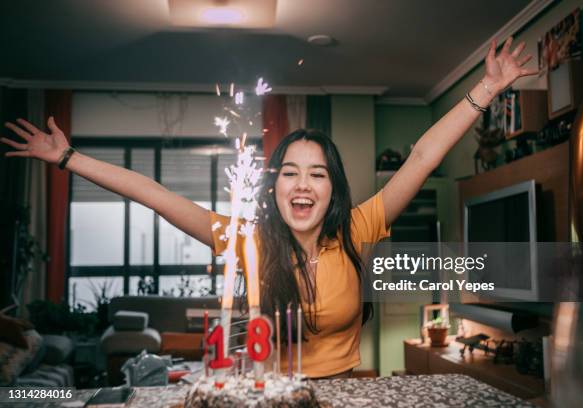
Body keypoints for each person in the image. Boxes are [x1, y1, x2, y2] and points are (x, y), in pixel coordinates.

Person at [1, 38, 536, 378]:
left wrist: (488, 86)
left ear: (333, 189)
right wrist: (67, 157)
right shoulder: (245, 241)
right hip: (271, 394)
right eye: (290, 173)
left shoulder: (360, 226)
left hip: (346, 391)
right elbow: (156, 195)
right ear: (273, 187)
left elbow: (421, 156)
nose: (303, 185)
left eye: (318, 173)